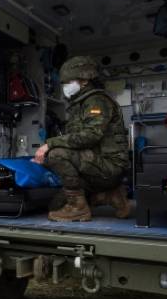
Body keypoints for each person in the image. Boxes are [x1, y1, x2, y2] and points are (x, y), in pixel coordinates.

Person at [32, 56, 130, 222]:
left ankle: (78, 208)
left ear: (84, 81)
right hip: (94, 165)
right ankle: (109, 195)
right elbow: (77, 141)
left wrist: (49, 145)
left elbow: (90, 136)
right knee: (55, 205)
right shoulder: (80, 104)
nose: (65, 86)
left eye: (68, 82)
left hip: (109, 166)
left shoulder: (96, 101)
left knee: (56, 154)